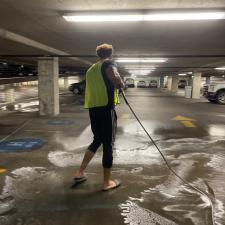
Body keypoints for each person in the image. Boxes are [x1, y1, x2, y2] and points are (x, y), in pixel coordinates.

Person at [73, 43, 124, 191]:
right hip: (106, 108)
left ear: (98, 55)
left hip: (93, 109)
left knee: (97, 140)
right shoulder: (109, 63)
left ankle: (79, 172)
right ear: (111, 54)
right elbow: (114, 76)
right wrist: (121, 84)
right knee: (108, 144)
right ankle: (106, 183)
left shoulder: (91, 69)